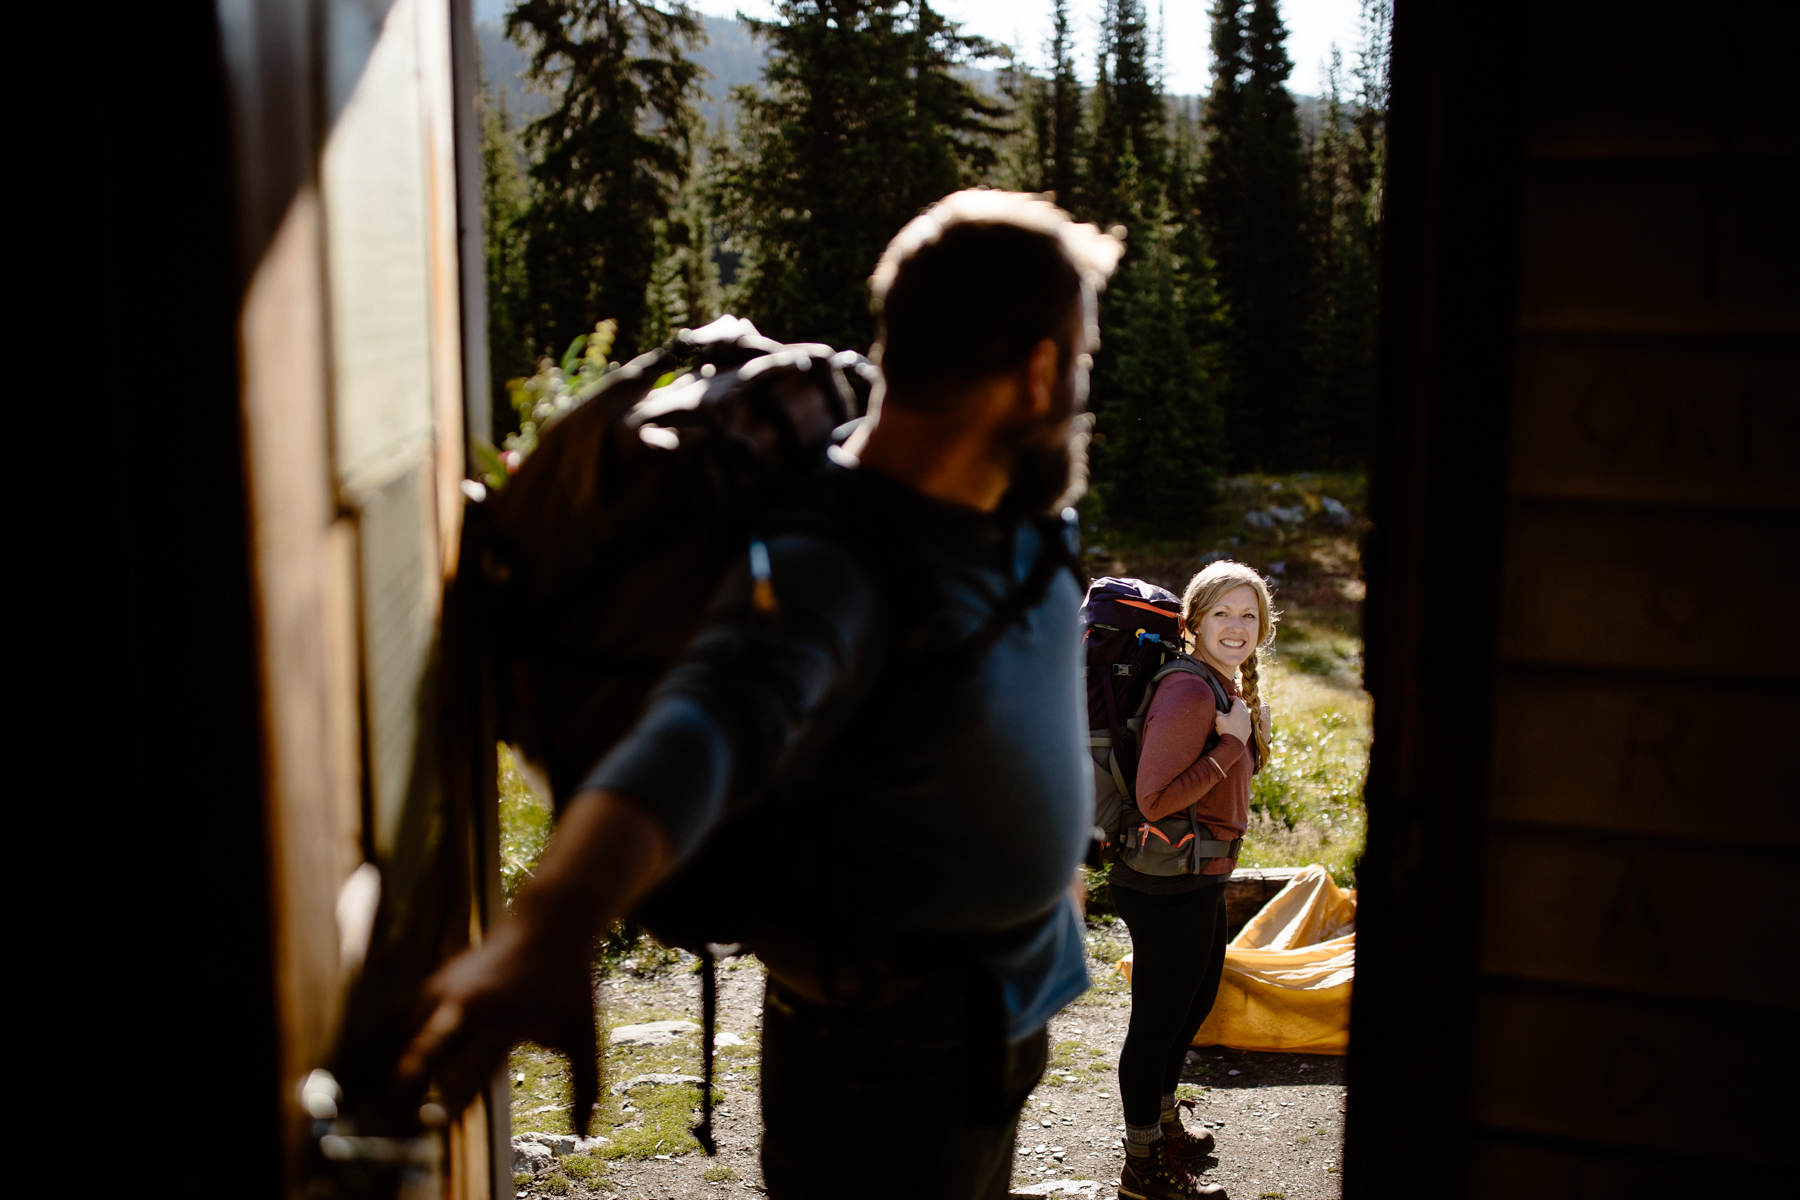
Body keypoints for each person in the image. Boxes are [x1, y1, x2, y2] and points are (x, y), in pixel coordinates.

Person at [395, 189, 1123, 1199]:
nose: (1083, 386)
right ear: (1038, 372)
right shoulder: (834, 563)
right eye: (1081, 359)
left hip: (988, 1025)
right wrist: (555, 920)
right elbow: (707, 722)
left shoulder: (1009, 504)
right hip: (882, 1069)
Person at [1110, 561, 1277, 1200]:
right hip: (1164, 881)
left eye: (1249, 615)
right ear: (1194, 620)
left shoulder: (1221, 684)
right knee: (1157, 1022)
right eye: (1222, 614)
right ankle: (1142, 1165)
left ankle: (1163, 1123)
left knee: (1189, 1008)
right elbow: (1154, 799)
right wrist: (1230, 746)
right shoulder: (1189, 691)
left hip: (1198, 875)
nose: (1236, 626)